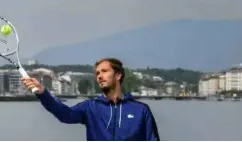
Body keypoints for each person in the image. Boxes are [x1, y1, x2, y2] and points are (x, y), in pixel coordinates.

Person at [21, 58, 160, 141]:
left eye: (104, 71)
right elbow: (65, 115)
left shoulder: (141, 110)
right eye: (97, 73)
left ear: (118, 75)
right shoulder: (90, 108)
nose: (99, 76)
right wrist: (43, 93)